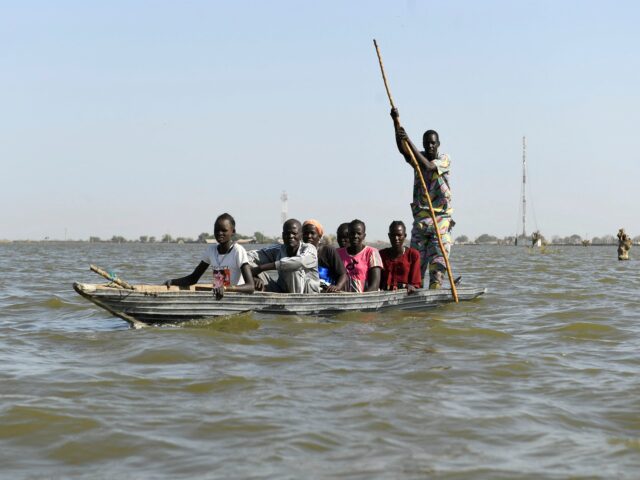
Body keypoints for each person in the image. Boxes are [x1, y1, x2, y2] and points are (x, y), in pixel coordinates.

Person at [391, 107, 453, 289]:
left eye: (433, 143)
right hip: (421, 218)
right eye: (427, 144)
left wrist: (408, 139)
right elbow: (404, 152)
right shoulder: (420, 157)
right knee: (416, 262)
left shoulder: (444, 159)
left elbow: (428, 167)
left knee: (438, 261)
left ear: (438, 144)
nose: (430, 146)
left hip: (440, 218)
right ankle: (415, 292)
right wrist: (396, 123)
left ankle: (436, 287)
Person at [165, 213, 254, 299]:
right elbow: (193, 278)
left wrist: (226, 288)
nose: (219, 233)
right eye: (217, 230)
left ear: (233, 232)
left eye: (224, 230)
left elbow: (250, 286)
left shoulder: (238, 251)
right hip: (219, 297)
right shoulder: (211, 250)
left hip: (236, 297)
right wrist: (172, 281)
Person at [248, 218, 319, 293]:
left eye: (294, 233)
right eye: (287, 234)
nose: (290, 236)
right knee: (245, 264)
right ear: (282, 235)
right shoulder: (277, 250)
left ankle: (294, 301)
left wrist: (262, 268)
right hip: (282, 291)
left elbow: (299, 262)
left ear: (301, 235)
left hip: (306, 294)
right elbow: (248, 256)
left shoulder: (310, 249)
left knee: (292, 267)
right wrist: (254, 277)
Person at [302, 219, 347, 293]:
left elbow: (343, 274)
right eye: (305, 233)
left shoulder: (328, 251)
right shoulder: (300, 252)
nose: (309, 236)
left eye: (312, 233)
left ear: (319, 235)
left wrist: (337, 286)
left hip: (326, 294)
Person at [336, 219, 382, 292]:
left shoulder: (371, 252)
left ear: (364, 236)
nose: (355, 236)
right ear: (348, 235)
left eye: (359, 233)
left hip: (364, 300)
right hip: (343, 299)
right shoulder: (338, 253)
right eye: (352, 233)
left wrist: (362, 300)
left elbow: (374, 286)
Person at [379, 220, 422, 292]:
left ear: (404, 236)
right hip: (384, 295)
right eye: (393, 235)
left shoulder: (413, 255)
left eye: (399, 235)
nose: (396, 238)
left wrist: (411, 286)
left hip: (405, 296)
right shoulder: (381, 254)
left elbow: (415, 283)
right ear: (389, 236)